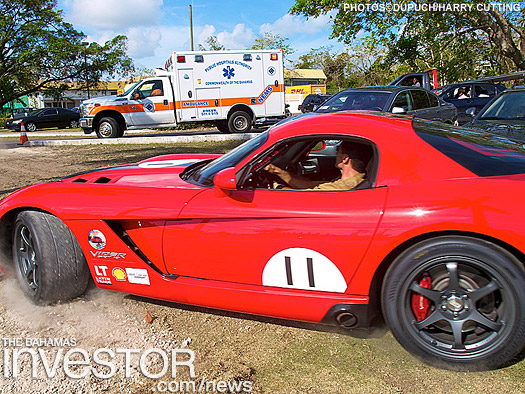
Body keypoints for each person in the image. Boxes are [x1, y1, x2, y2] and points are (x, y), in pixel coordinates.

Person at [264, 141, 372, 191]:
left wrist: (276, 187)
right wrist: (274, 170)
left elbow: (304, 196)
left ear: (345, 158)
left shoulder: (343, 188)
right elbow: (309, 184)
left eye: (337, 150)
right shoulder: (355, 180)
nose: (335, 154)